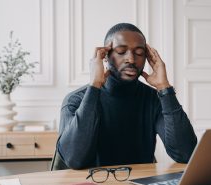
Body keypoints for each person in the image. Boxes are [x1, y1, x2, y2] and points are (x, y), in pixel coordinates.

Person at [55, 23, 197, 170]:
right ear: (105, 56)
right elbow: (74, 159)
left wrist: (164, 88)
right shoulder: (75, 100)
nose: (131, 59)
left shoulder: (154, 99)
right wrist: (94, 85)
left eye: (140, 53)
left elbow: (186, 153)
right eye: (121, 51)